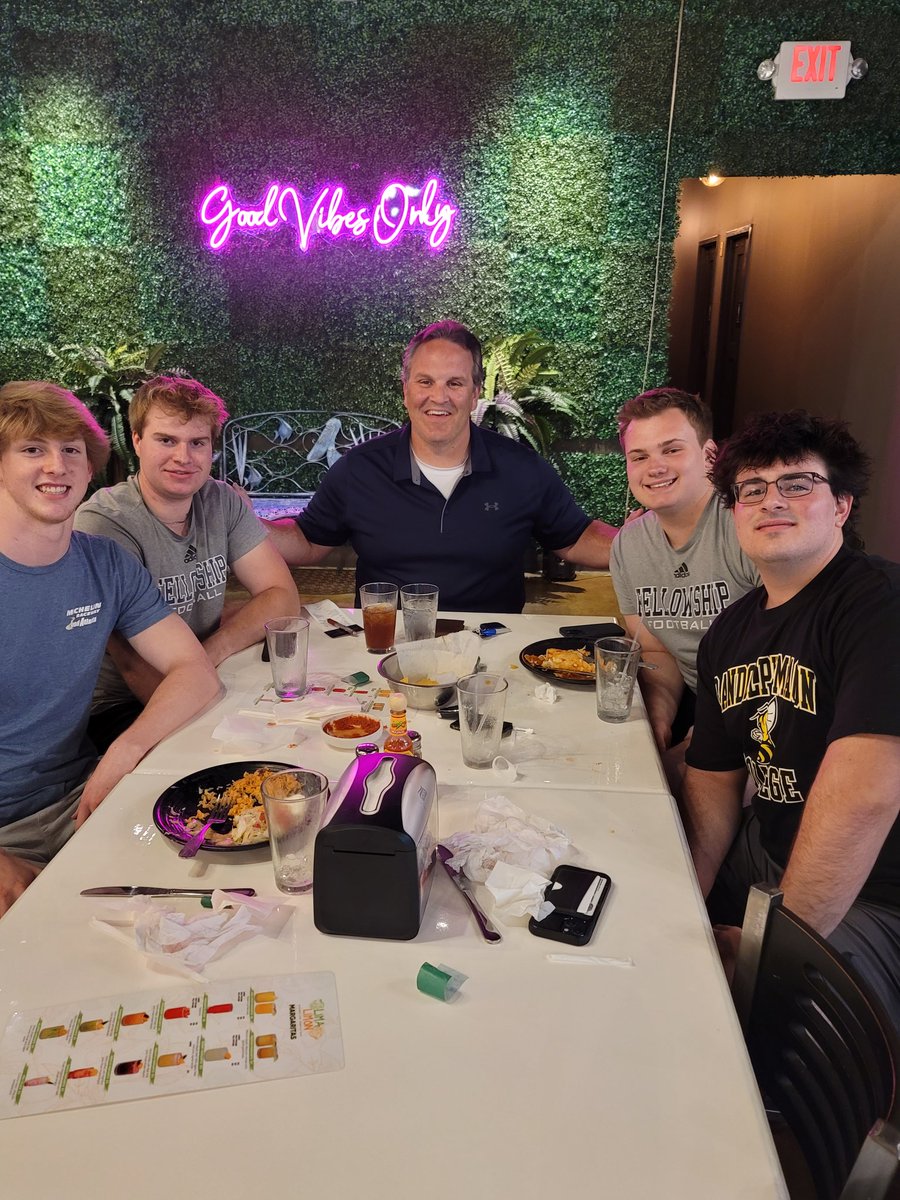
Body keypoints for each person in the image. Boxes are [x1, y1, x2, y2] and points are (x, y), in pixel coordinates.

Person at [683, 409, 900, 1030]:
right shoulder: (730, 631)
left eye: (798, 484)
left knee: (766, 1029)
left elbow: (865, 799)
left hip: (877, 890)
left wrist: (764, 951)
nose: (770, 500)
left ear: (841, 506)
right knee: (639, 920)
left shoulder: (877, 606)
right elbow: (712, 777)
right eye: (751, 489)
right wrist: (687, 892)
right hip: (770, 850)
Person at [0, 382, 221, 916]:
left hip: (86, 795)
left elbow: (194, 671)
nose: (57, 466)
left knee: (212, 881)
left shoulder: (105, 563)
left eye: (72, 450)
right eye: (33, 449)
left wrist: (124, 752)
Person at [262, 320, 617, 612]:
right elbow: (306, 541)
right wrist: (240, 522)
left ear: (476, 392)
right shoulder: (359, 470)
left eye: (455, 383)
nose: (439, 397)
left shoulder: (522, 469)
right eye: (425, 381)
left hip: (493, 652)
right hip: (387, 651)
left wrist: (649, 541)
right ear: (405, 390)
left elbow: (576, 539)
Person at [75, 376, 299, 747]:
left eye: (197, 443)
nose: (184, 457)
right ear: (136, 441)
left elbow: (282, 596)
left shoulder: (220, 500)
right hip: (124, 707)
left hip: (204, 676)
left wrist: (208, 656)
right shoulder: (105, 522)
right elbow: (132, 663)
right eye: (167, 440)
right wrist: (212, 701)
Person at [610, 388, 759, 777]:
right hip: (700, 707)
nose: (654, 467)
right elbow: (658, 653)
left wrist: (705, 741)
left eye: (671, 450)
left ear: (710, 455)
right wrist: (655, 722)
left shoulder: (748, 525)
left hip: (767, 716)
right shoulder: (628, 545)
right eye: (639, 456)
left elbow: (789, 660)